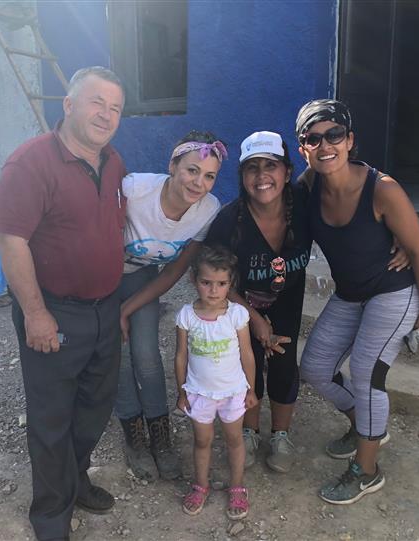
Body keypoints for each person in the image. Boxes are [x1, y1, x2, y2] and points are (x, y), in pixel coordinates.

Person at [0, 66, 126, 540]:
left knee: (94, 405)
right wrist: (35, 313)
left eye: (115, 108)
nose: (106, 115)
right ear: (68, 105)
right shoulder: (29, 164)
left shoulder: (112, 161)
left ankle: (76, 479)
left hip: (105, 309)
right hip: (54, 311)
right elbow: (11, 241)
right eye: (96, 102)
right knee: (51, 417)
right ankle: (50, 515)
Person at [295, 99, 419, 505]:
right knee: (316, 368)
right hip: (350, 294)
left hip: (392, 293)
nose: (326, 146)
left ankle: (367, 470)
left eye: (334, 135)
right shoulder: (307, 187)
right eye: (313, 138)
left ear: (350, 140)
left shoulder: (383, 189)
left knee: (366, 373)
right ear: (303, 146)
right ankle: (365, 426)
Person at [115, 131, 226, 481]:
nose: (199, 183)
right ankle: (133, 433)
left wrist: (127, 309)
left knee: (146, 353)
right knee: (117, 354)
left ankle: (159, 434)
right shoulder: (134, 190)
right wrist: (107, 307)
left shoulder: (208, 210)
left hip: (142, 278)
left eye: (209, 176)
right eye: (192, 170)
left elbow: (173, 272)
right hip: (98, 277)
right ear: (172, 166)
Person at [205, 131, 310, 474]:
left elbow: (345, 226)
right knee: (244, 364)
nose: (262, 175)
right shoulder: (228, 221)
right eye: (252, 168)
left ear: (286, 171)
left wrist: (395, 240)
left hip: (287, 298)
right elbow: (220, 281)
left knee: (283, 363)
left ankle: (281, 435)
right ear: (242, 176)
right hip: (240, 302)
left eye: (270, 165)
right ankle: (248, 431)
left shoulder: (305, 209)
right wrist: (254, 319)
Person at [174, 245, 258, 520]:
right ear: (193, 280)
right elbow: (181, 356)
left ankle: (237, 486)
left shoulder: (237, 315)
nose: (213, 290)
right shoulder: (186, 315)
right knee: (202, 441)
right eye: (206, 282)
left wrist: (251, 389)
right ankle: (201, 485)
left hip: (233, 393)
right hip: (199, 393)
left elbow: (247, 354)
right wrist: (181, 391)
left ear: (230, 284)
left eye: (221, 284)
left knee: (234, 440)